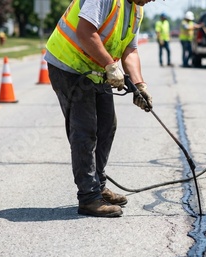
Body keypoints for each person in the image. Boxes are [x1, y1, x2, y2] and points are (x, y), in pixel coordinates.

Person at [44, 0, 154, 218]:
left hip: (97, 69)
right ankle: (88, 198)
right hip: (69, 67)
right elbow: (85, 32)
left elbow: (130, 50)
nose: (151, 0)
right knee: (85, 130)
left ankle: (98, 186)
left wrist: (139, 85)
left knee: (107, 126)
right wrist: (110, 65)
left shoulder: (136, 10)